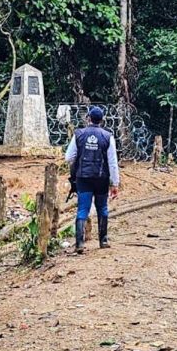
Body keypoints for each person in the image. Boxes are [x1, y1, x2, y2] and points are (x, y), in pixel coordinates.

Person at [64, 106, 120, 253]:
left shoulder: (79, 135)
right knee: (102, 207)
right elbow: (113, 162)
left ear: (88, 118)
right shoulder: (108, 137)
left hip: (83, 178)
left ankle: (79, 244)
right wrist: (115, 183)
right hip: (102, 178)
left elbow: (68, 157)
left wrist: (80, 162)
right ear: (102, 120)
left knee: (83, 208)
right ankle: (103, 240)